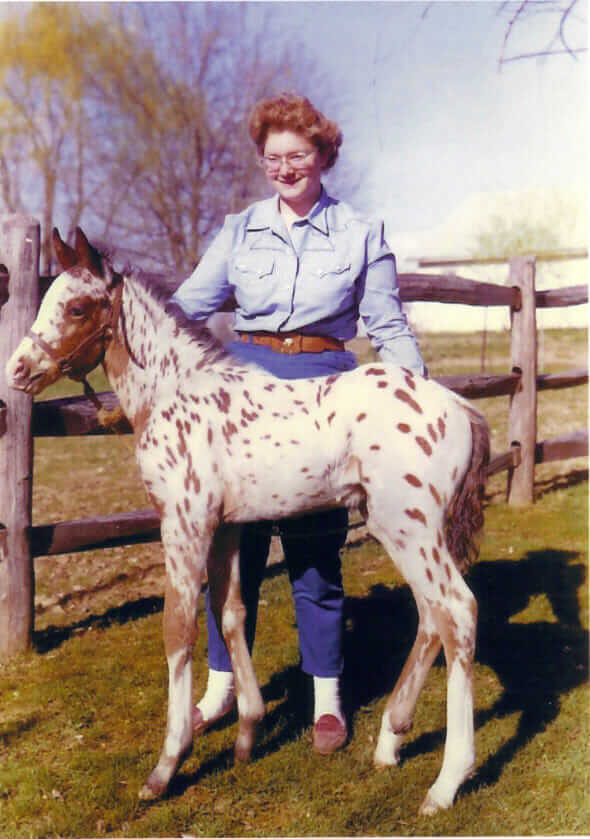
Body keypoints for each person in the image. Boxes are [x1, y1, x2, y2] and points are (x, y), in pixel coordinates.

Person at [168, 93, 426, 755]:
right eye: (272, 157)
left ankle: (327, 699)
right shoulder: (239, 229)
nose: (284, 168)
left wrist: (420, 404)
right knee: (233, 555)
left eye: (298, 155)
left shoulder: (361, 233)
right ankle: (222, 687)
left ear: (323, 156)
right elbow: (187, 306)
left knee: (315, 557)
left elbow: (389, 326)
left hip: (324, 395)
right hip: (244, 395)